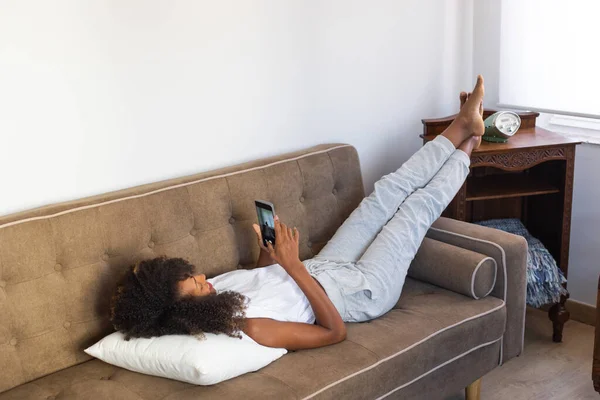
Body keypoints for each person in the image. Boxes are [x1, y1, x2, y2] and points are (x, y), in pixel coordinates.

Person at [111, 76, 486, 351]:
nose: (204, 278)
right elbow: (333, 332)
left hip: (326, 266)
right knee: (413, 212)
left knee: (385, 193)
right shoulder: (249, 329)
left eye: (195, 275)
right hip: (360, 293)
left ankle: (461, 127)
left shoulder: (215, 298)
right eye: (195, 284)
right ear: (182, 311)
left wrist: (268, 254)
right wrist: (292, 266)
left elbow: (260, 282)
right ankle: (468, 147)